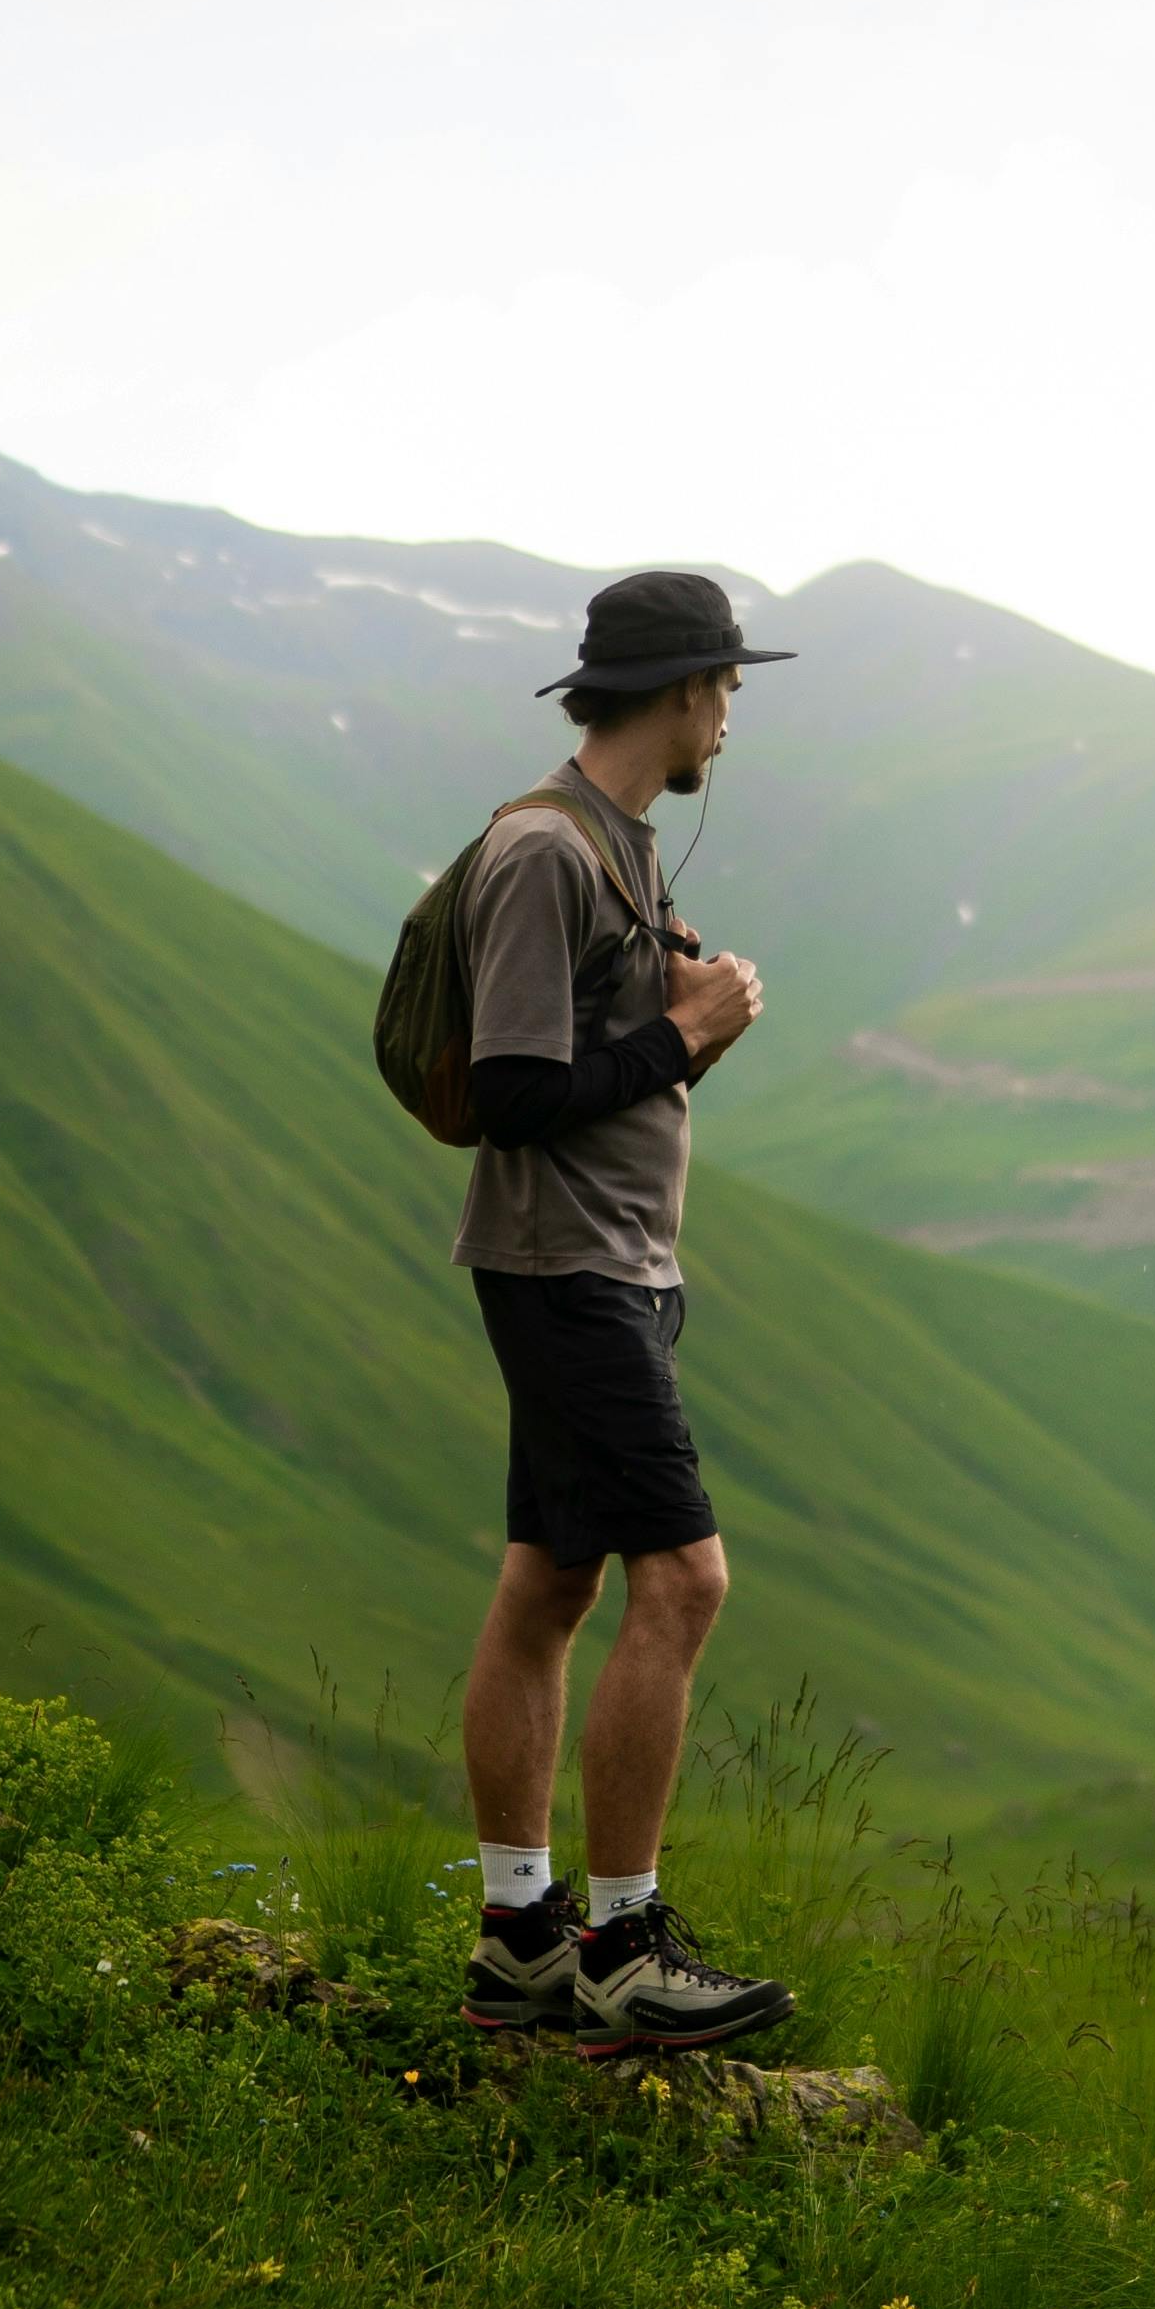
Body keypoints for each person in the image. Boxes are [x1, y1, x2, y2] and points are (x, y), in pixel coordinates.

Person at [449, 564, 799, 2056]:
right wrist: (682, 1030)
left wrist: (681, 1035)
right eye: (724, 686)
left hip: (614, 1269)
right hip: (565, 1272)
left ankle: (520, 1937)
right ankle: (619, 1945)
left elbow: (597, 1074)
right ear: (676, 693)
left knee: (553, 1587)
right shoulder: (542, 853)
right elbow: (511, 1096)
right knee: (685, 1583)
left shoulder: (619, 848)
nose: (730, 713)